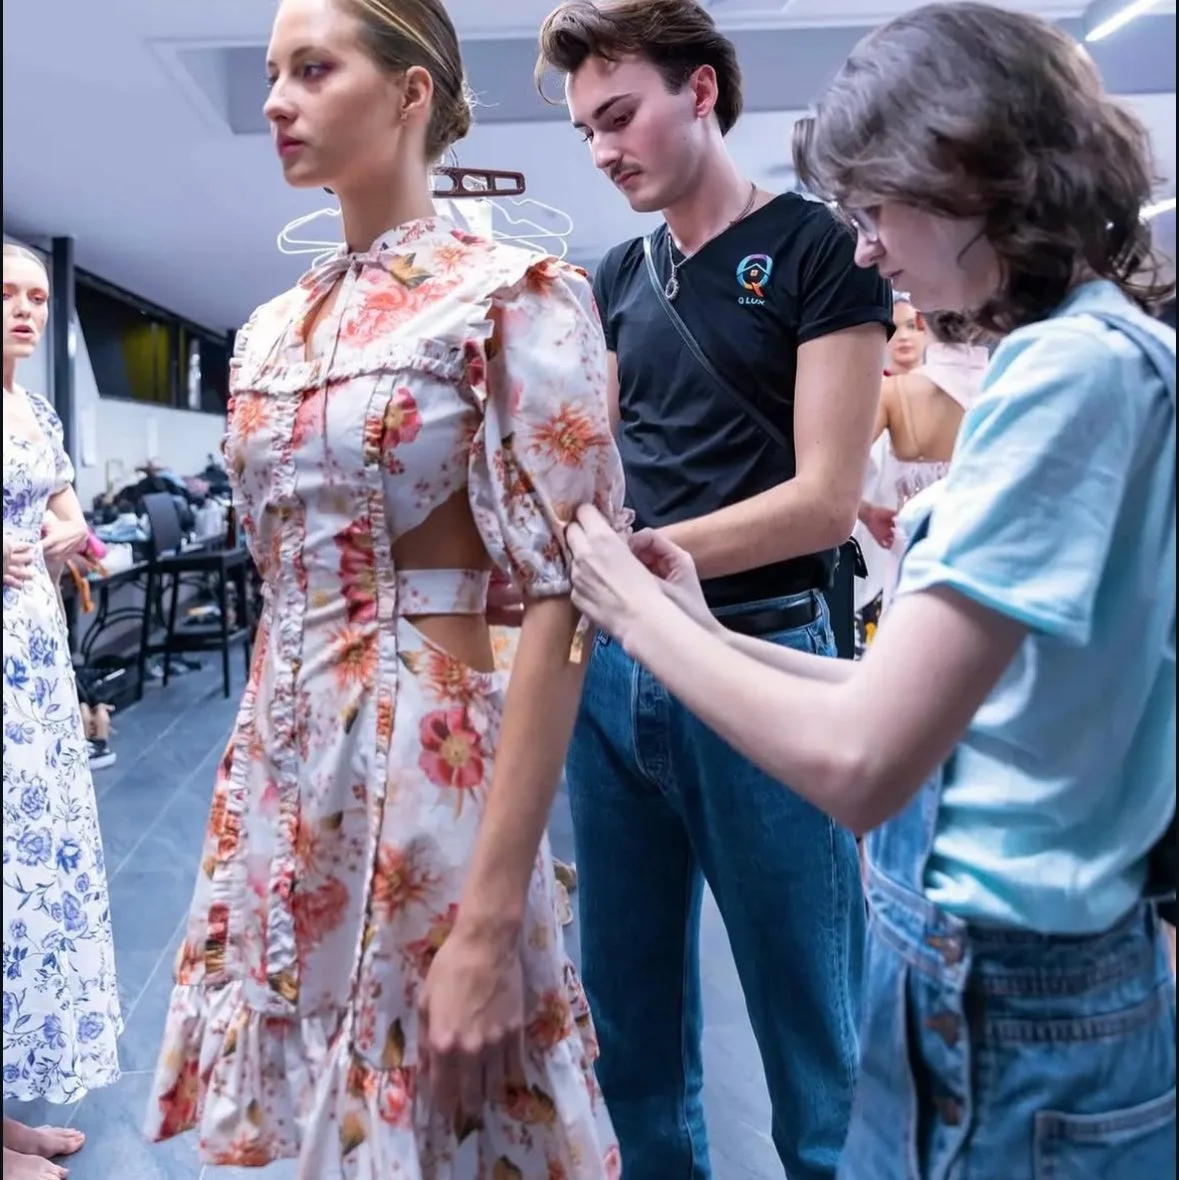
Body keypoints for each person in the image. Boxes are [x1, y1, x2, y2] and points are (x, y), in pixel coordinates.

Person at [563, 4, 1177, 1176]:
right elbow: (902, 692)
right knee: (642, 1029)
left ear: (967, 169)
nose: (865, 249)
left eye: (878, 209)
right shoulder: (1080, 359)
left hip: (1014, 997)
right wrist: (688, 620)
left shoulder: (1074, 376)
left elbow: (862, 761)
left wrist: (629, 603)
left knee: (811, 1064)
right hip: (991, 977)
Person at [145, 2, 623, 1176]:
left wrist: (493, 915)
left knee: (439, 1108)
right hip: (278, 763)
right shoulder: (271, 329)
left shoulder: (514, 295)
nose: (276, 99)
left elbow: (566, 598)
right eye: (273, 72)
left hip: (425, 764)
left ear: (412, 94)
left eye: (314, 68)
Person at [535, 3, 892, 1177]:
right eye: (587, 131)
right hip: (615, 677)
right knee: (629, 1026)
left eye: (620, 115)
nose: (603, 149)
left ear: (700, 91)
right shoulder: (618, 276)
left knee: (814, 1035)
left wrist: (634, 562)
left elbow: (826, 501)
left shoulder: (820, 250)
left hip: (762, 656)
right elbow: (601, 470)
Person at [3, 243, 122, 1180]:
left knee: (27, 865)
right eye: (7, 293)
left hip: (33, 658)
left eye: (38, 298)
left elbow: (75, 522)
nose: (25, 309)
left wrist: (70, 533)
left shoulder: (37, 413)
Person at [855, 311, 989, 643]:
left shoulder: (894, 392)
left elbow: (834, 474)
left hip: (916, 560)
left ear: (920, 321)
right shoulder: (1014, 386)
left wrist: (866, 512)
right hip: (993, 563)